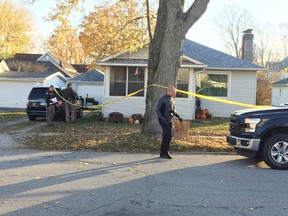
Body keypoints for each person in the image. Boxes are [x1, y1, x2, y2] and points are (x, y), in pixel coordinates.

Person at [156, 86, 183, 159]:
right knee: (168, 135)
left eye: (175, 92)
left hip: (169, 120)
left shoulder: (172, 99)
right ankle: (165, 152)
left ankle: (163, 152)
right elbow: (157, 110)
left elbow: (173, 110)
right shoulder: (163, 99)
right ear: (169, 91)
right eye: (174, 92)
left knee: (166, 136)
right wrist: (162, 118)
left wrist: (178, 116)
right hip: (163, 120)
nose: (174, 93)